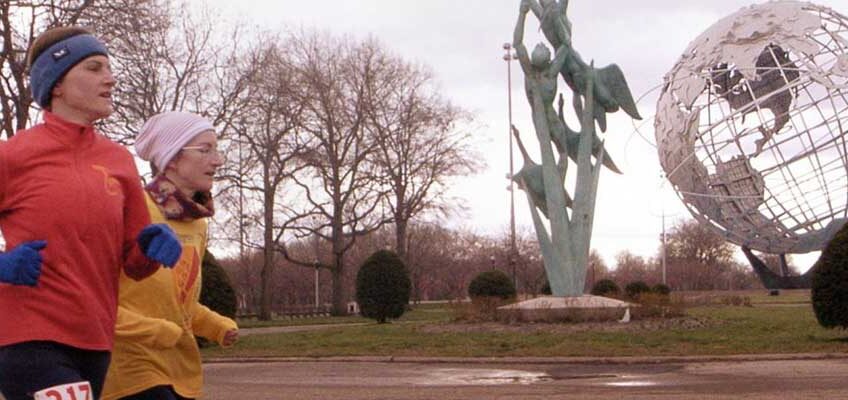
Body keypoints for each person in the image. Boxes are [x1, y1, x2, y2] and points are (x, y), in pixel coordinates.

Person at [0, 27, 182, 400]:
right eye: (95, 68)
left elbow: (133, 261)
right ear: (57, 86)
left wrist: (150, 249)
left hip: (96, 336)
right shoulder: (13, 156)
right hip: (27, 334)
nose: (110, 79)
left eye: (109, 69)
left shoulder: (118, 160)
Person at [102, 111, 239, 400]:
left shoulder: (198, 224)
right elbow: (95, 295)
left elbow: (179, 300)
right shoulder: (130, 207)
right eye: (205, 150)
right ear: (173, 158)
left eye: (216, 149)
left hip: (179, 368)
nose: (218, 160)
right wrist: (151, 331)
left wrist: (215, 326)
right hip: (128, 366)